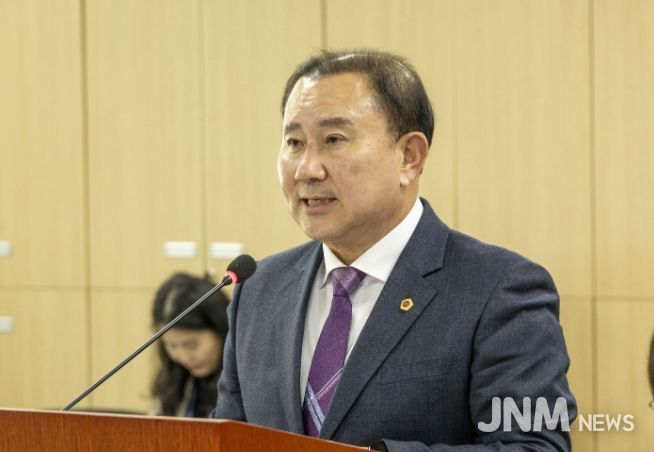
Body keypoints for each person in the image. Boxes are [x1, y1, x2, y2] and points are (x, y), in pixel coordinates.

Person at [213, 49, 577, 450]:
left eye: (334, 140)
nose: (307, 169)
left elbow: (534, 446)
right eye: (294, 142)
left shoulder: (499, 290)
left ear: (409, 157)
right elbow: (225, 439)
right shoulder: (259, 289)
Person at [151, 272, 229, 418]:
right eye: (172, 346)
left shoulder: (245, 382)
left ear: (221, 331)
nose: (184, 357)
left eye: (192, 345)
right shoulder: (174, 377)